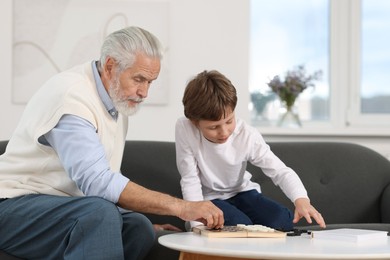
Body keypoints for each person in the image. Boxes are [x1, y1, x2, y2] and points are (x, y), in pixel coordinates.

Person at [0, 27, 224, 260]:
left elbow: (100, 187)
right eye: (139, 79)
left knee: (138, 226)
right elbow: (97, 182)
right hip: (12, 207)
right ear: (110, 66)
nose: (144, 92)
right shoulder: (72, 97)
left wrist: (131, 219)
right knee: (99, 214)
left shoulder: (115, 102)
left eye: (150, 82)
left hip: (57, 209)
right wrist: (183, 207)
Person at [175, 70, 326, 231]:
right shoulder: (185, 128)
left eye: (229, 121)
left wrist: (301, 199)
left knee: (282, 220)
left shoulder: (247, 135)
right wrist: (196, 224)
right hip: (209, 199)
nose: (224, 132)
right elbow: (190, 179)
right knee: (241, 225)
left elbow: (280, 171)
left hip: (243, 192)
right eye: (213, 127)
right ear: (195, 122)